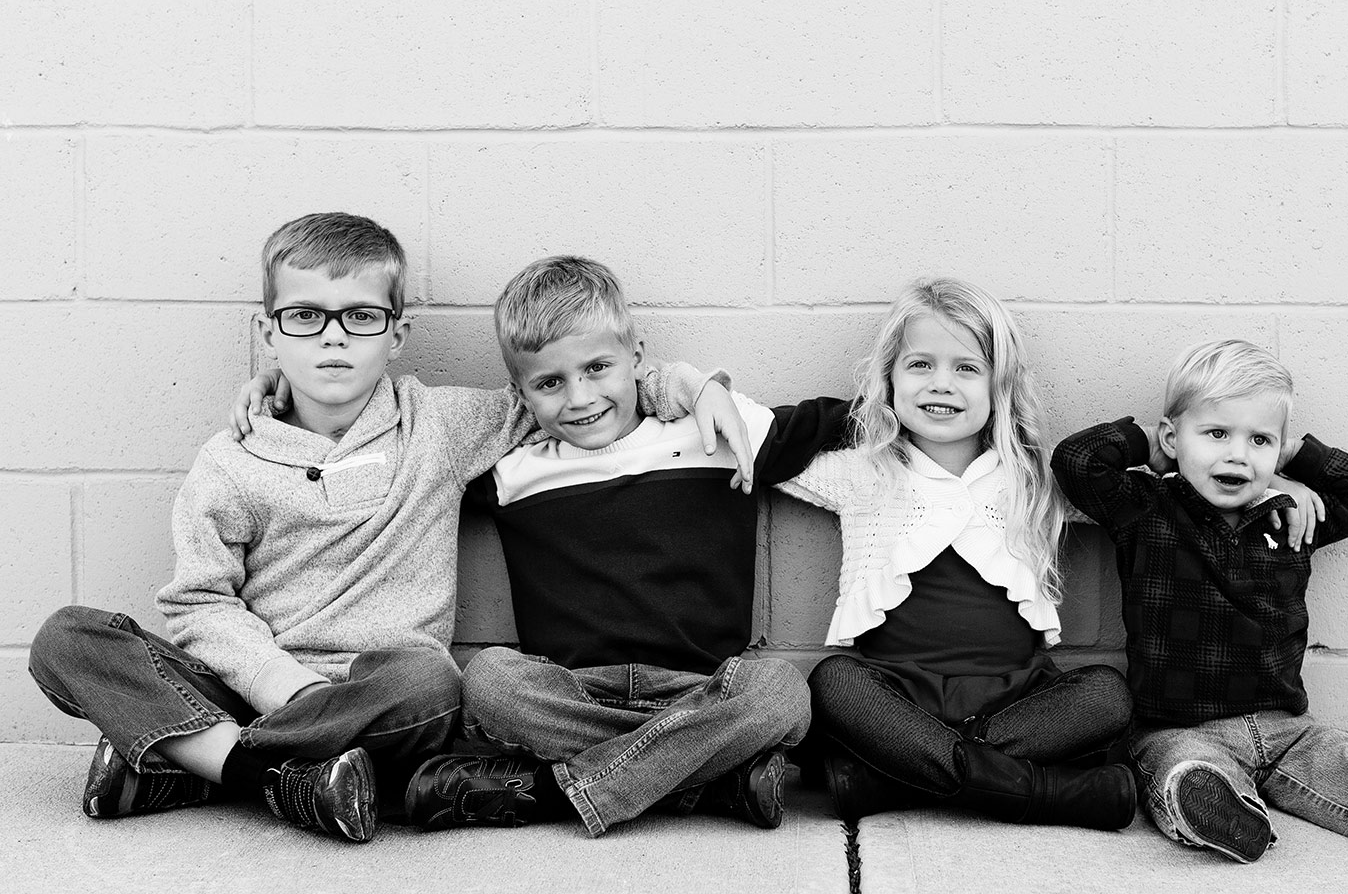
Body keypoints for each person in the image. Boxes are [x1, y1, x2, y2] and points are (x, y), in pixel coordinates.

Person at [28, 214, 729, 844]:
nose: (333, 336)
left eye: (360, 317)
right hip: (251, 689)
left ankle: (196, 765)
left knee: (430, 678)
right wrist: (285, 687)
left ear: (397, 335)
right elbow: (197, 603)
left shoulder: (439, 427)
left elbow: (572, 392)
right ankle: (272, 777)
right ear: (268, 334)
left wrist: (688, 386)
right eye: (305, 316)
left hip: (387, 704)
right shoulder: (230, 462)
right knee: (67, 638)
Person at [402, 255, 855, 838]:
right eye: (549, 383)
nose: (579, 397)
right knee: (490, 682)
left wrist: (953, 401)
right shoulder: (512, 469)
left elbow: (841, 421)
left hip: (702, 691)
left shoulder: (716, 433)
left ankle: (556, 791)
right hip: (572, 693)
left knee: (782, 693)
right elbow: (400, 463)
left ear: (636, 357)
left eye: (597, 368)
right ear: (520, 393)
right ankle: (704, 780)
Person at [1051, 338, 1348, 862]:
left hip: (1287, 726)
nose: (1238, 454)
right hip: (1178, 724)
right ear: (1174, 437)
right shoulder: (1147, 510)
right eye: (1216, 434)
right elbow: (1077, 460)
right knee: (1183, 766)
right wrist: (1151, 446)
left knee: (1342, 759)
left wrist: (1289, 459)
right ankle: (1225, 812)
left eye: (1258, 439)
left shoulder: (1289, 518)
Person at [773, 278, 1137, 830]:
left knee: (1108, 695)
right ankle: (1042, 792)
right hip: (898, 697)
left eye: (967, 368)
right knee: (833, 683)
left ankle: (899, 777)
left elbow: (1131, 484)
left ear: (1000, 386)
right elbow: (756, 445)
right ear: (889, 378)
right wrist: (679, 392)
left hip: (1015, 699)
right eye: (920, 365)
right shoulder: (864, 472)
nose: (940, 384)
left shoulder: (1034, 480)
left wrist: (1258, 486)